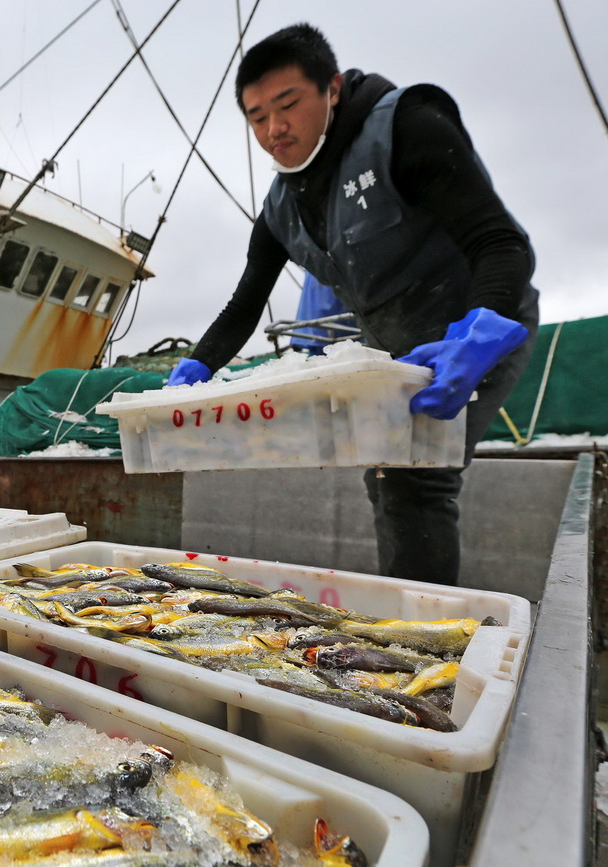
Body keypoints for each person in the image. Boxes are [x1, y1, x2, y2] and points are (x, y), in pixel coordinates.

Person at [169, 23, 539, 586]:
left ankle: (427, 642)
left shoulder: (407, 128)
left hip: (479, 325)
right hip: (394, 350)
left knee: (416, 477)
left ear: (333, 89)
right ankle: (412, 611)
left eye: (288, 104)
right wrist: (197, 367)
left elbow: (502, 243)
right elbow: (246, 302)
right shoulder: (281, 207)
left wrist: (483, 329)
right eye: (256, 116)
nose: (274, 129)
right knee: (389, 478)